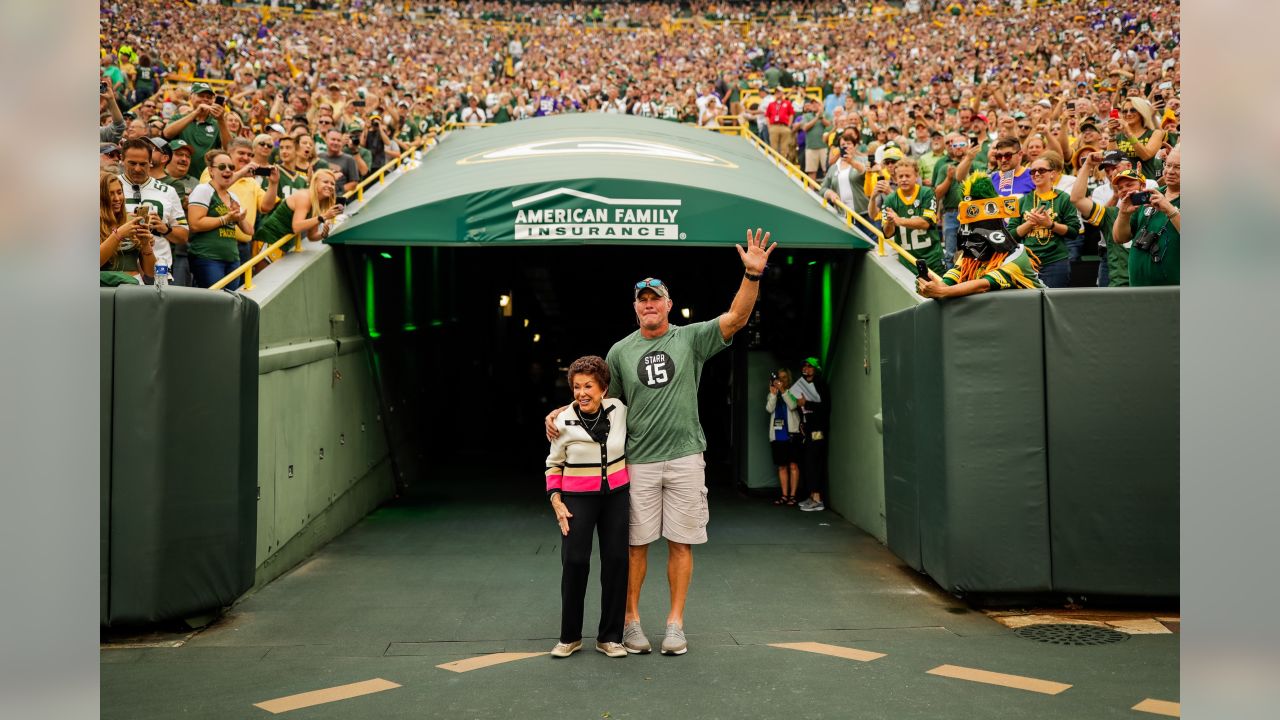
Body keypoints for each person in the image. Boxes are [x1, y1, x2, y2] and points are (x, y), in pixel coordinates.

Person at [544, 228, 777, 657]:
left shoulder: (690, 338)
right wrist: (562, 410)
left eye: (656, 298)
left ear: (668, 304)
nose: (649, 305)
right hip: (639, 462)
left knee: (681, 542)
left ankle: (674, 625)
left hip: (686, 456)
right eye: (642, 300)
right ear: (635, 308)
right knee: (635, 545)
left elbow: (736, 319)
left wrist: (752, 276)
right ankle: (631, 622)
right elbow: (599, 397)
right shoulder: (619, 352)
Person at [544, 356, 631, 659]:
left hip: (616, 496)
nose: (582, 392)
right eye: (577, 386)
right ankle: (570, 637)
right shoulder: (562, 421)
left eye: (589, 386)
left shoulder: (619, 410)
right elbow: (553, 465)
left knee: (617, 562)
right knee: (576, 562)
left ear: (603, 388)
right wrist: (556, 500)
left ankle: (610, 637)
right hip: (577, 500)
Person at [917, 172, 1044, 299]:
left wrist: (941, 291)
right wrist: (933, 285)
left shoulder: (1015, 255)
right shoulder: (969, 255)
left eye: (978, 225)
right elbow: (950, 282)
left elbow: (983, 285)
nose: (970, 232)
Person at [119, 138, 188, 280]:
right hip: (120, 268)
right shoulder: (110, 185)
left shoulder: (168, 191)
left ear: (150, 162)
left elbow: (183, 236)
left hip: (159, 268)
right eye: (132, 163)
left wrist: (165, 229)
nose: (137, 168)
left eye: (143, 164)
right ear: (122, 159)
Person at [1007, 153, 1080, 288]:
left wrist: (1050, 224)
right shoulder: (1023, 201)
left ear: (1052, 174)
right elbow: (1011, 235)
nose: (1036, 174)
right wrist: (1030, 224)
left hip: (1056, 261)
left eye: (1041, 170)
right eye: (1033, 171)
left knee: (1055, 304)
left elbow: (1074, 231)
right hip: (1027, 262)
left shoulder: (1063, 198)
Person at [1070, 153, 1143, 288]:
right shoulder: (1110, 214)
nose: (1125, 189)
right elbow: (1077, 199)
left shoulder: (1157, 209)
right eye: (1120, 187)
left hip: (1150, 284)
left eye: (1130, 184)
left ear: (1143, 186)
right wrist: (1087, 165)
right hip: (1121, 284)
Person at [186, 151, 253, 289]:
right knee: (214, 303)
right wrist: (226, 218)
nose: (228, 170)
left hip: (233, 259)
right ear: (211, 171)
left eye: (231, 167)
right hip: (208, 258)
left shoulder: (233, 196)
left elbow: (249, 231)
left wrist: (239, 217)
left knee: (229, 303)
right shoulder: (203, 190)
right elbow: (195, 224)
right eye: (222, 167)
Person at [1114, 146, 1179, 287]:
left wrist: (1170, 210)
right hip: (1138, 290)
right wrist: (1123, 214)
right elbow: (1120, 238)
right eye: (1168, 165)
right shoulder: (1150, 194)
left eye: (1178, 167)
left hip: (1175, 293)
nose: (1170, 171)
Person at [252, 169, 343, 252]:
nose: (329, 186)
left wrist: (323, 234)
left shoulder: (318, 204)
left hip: (283, 244)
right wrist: (324, 216)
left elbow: (312, 236)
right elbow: (297, 227)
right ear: (315, 183)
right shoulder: (305, 197)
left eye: (332, 184)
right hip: (268, 239)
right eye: (325, 182)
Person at [881, 161, 945, 276]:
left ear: (916, 176)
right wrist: (890, 223)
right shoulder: (890, 199)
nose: (904, 179)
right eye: (900, 176)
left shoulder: (927, 193)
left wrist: (899, 220)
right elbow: (887, 234)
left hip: (932, 258)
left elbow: (926, 223)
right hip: (908, 261)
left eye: (907, 175)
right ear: (895, 178)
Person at [789, 358, 829, 512]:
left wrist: (806, 403)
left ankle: (818, 499)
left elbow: (824, 407)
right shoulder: (803, 385)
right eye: (804, 366)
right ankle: (812, 496)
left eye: (809, 366)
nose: (806, 368)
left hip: (818, 429)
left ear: (816, 368)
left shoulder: (821, 385)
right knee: (808, 461)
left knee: (815, 461)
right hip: (808, 428)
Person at [99, 173, 154, 284]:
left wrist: (145, 244)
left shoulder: (131, 220)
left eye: (119, 192)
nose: (117, 198)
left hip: (134, 285)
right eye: (111, 194)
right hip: (106, 288)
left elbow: (150, 273)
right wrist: (118, 234)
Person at [765, 367, 801, 507]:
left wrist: (783, 391)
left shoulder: (793, 392)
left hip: (792, 434)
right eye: (779, 378)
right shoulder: (772, 393)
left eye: (784, 377)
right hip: (777, 435)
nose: (781, 380)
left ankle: (793, 496)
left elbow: (792, 405)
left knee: (793, 465)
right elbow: (769, 409)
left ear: (788, 379)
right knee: (782, 467)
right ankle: (784, 495)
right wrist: (773, 394)